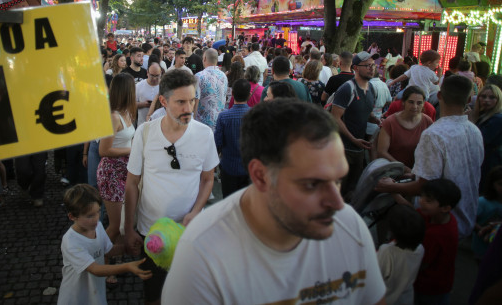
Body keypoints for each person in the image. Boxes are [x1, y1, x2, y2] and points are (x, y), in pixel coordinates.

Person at [161, 99, 387, 304]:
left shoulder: (351, 229)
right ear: (260, 176)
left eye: (338, 180)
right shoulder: (201, 254)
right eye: (312, 184)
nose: (338, 204)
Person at [124, 69, 219, 304]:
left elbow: (208, 179)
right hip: (151, 232)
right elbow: (132, 183)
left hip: (188, 233)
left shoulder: (204, 134)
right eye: (181, 102)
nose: (189, 108)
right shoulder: (145, 133)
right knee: (154, 294)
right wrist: (128, 228)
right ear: (164, 101)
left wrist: (195, 212)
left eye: (192, 100)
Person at [375, 75, 484, 239]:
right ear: (469, 98)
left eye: (419, 102)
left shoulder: (434, 134)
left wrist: (391, 187)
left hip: (437, 222)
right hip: (464, 218)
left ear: (439, 96)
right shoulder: (474, 131)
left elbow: (425, 187)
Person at [57, 184, 151, 305]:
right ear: (72, 216)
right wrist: (127, 266)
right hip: (75, 297)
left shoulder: (98, 226)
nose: (96, 218)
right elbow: (95, 269)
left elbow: (107, 250)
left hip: (95, 293)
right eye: (90, 216)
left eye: (98, 212)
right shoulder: (71, 241)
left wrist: (127, 249)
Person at [331, 51, 380, 198]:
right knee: (339, 189)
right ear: (356, 68)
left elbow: (365, 112)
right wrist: (353, 139)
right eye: (367, 65)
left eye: (373, 65)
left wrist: (376, 120)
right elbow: (336, 118)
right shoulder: (347, 89)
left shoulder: (371, 89)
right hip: (343, 149)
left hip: (359, 148)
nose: (372, 68)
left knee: (354, 189)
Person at [96, 73, 136, 245]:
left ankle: (114, 256)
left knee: (123, 222)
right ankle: (101, 258)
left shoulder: (126, 112)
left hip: (124, 171)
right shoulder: (113, 116)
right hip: (111, 174)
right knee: (114, 225)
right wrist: (132, 150)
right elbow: (103, 150)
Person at [414, 179, 461, 305]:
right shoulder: (441, 217)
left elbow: (422, 263)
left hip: (430, 288)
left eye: (428, 200)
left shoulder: (438, 235)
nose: (421, 201)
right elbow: (414, 215)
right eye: (421, 196)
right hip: (437, 284)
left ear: (445, 208)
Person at [377, 204, 425, 305]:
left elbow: (374, 274)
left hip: (385, 299)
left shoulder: (387, 252)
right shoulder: (420, 249)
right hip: (405, 298)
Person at [377, 86, 433, 169]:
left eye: (419, 103)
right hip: (393, 172)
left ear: (424, 103)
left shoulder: (427, 121)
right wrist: (405, 169)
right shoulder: (390, 122)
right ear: (403, 102)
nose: (415, 106)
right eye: (411, 102)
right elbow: (382, 152)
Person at [214, 79, 251, 198]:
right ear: (249, 95)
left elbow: (218, 143)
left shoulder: (224, 116)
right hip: (248, 168)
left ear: (233, 93)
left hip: (228, 166)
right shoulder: (254, 115)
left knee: (228, 202)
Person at [470, 85, 502, 192]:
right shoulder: (483, 115)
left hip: (489, 165)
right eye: (483, 96)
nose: (486, 100)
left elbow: (478, 140)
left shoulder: (497, 119)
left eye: (492, 97)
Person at [471, 167, 502, 261]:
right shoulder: (483, 202)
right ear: (492, 184)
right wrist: (483, 231)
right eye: (500, 184)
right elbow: (471, 221)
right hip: (481, 249)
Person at [194, 48, 228, 131]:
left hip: (202, 124)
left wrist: (193, 120)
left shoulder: (199, 76)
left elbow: (195, 100)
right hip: (219, 122)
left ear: (204, 58)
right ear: (216, 60)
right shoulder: (223, 76)